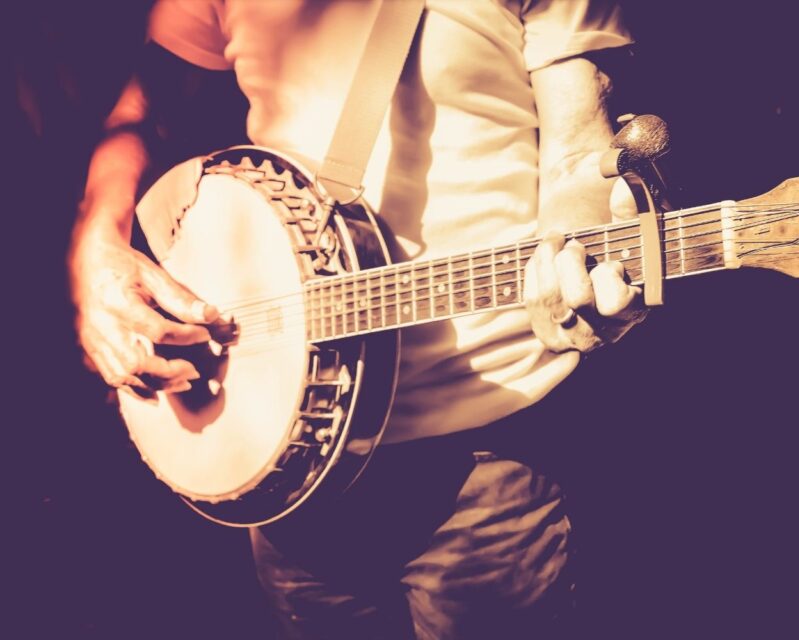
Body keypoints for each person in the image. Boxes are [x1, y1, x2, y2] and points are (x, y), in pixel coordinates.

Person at [68, 0, 646, 637]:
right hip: (289, 456)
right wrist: (96, 243)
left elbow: (577, 156)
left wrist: (581, 258)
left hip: (488, 445)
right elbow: (142, 112)